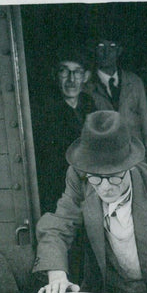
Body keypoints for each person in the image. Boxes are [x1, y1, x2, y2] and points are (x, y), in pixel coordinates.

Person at [33, 110, 147, 293]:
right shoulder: (79, 177)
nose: (105, 188)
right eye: (96, 178)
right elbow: (58, 225)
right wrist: (57, 272)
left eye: (113, 178)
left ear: (131, 165)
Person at [34, 48, 98, 214]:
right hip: (60, 191)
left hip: (90, 188)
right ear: (55, 74)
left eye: (77, 72)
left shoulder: (88, 103)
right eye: (65, 71)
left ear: (86, 77)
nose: (71, 79)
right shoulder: (44, 109)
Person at [86, 38, 147, 167]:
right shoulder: (87, 87)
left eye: (112, 47)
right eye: (101, 46)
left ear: (119, 51)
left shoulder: (135, 82)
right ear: (94, 50)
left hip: (136, 162)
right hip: (106, 165)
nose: (106, 52)